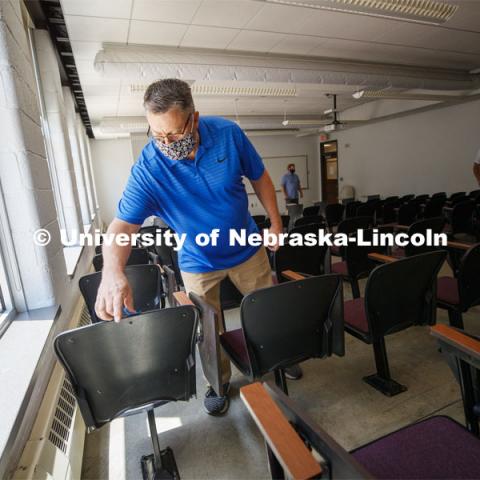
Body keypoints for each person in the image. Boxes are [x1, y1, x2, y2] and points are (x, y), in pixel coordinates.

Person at [94, 79, 302, 417]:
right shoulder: (149, 168)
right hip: (198, 260)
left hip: (247, 248)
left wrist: (276, 224)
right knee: (208, 328)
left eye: (174, 135)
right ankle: (217, 383)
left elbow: (260, 177)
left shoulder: (228, 134)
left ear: (194, 118)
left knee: (269, 311)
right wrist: (112, 271)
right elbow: (122, 226)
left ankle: (278, 358)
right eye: (157, 136)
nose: (166, 144)